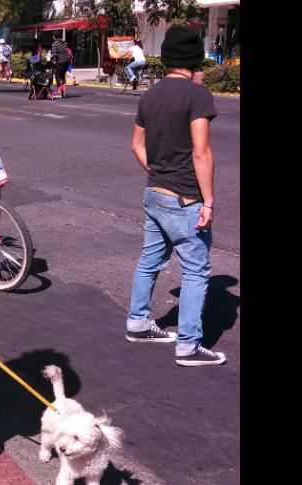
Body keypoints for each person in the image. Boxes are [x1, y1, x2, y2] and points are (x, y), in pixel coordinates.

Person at [126, 26, 225, 367]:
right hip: (185, 197)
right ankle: (188, 345)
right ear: (195, 59)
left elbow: (136, 145)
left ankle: (137, 322)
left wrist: (155, 170)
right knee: (197, 270)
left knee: (149, 260)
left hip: (154, 191)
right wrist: (208, 200)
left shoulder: (150, 95)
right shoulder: (197, 96)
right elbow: (202, 152)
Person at [50, 32, 70, 98]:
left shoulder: (55, 44)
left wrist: (51, 59)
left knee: (57, 75)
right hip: (67, 60)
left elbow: (54, 55)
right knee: (62, 75)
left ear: (54, 37)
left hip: (61, 61)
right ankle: (64, 91)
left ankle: (59, 92)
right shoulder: (63, 42)